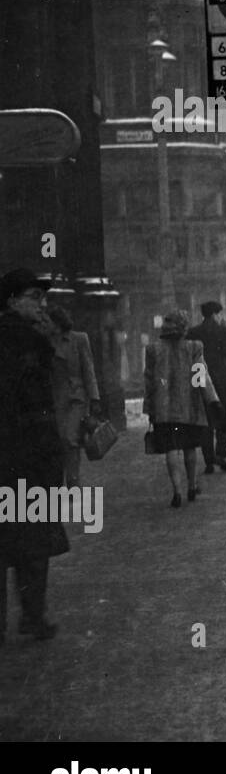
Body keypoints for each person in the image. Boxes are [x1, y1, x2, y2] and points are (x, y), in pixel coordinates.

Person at [0, 270, 67, 640]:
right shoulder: (32, 342)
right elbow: (40, 408)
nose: (41, 305)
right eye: (33, 297)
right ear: (11, 301)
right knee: (33, 543)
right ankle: (32, 617)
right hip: (29, 457)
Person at [144, 309, 220, 508]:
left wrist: (150, 409)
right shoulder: (194, 347)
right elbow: (200, 376)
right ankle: (192, 486)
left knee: (170, 448)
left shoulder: (153, 349)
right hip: (189, 407)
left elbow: (149, 382)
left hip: (164, 409)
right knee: (189, 447)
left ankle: (176, 491)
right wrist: (212, 399)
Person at [46, 305, 101, 491]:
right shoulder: (47, 341)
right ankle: (60, 483)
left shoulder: (79, 339)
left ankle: (73, 483)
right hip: (54, 399)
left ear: (58, 323)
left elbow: (88, 369)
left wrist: (94, 398)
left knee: (70, 438)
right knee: (60, 441)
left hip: (76, 398)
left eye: (50, 322)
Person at [187, 300, 226, 474]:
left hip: (201, 379)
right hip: (222, 380)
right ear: (214, 314)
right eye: (220, 314)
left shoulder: (193, 332)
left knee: (206, 421)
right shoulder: (222, 331)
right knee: (225, 420)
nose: (221, 317)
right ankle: (220, 453)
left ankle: (209, 460)